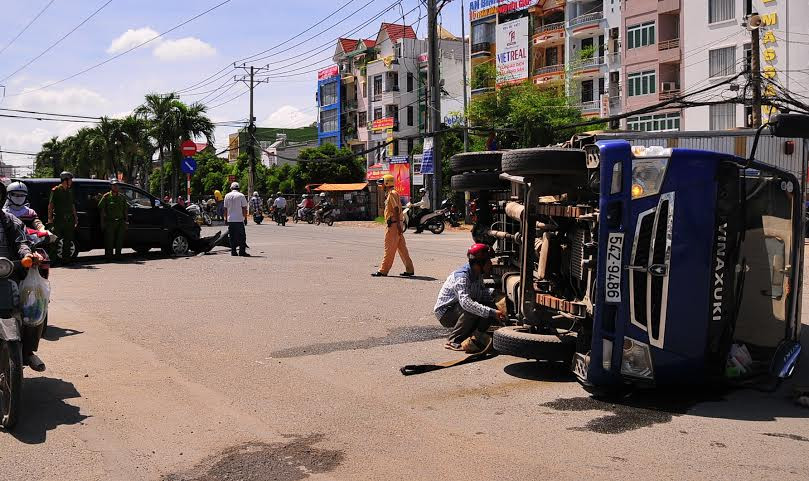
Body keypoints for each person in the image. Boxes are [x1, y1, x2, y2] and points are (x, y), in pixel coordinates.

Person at [0, 183, 45, 370]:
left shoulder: (9, 220)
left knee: (33, 305)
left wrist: (28, 254)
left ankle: (27, 352)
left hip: (9, 272)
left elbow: (21, 241)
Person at [434, 243, 506, 352]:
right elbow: (466, 303)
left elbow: (481, 294)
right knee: (473, 310)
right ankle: (454, 341)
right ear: (480, 263)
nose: (491, 264)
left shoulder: (477, 274)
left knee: (487, 307)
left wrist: (496, 296)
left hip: (460, 308)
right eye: (488, 261)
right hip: (446, 313)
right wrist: (492, 312)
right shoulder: (462, 277)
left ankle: (476, 335)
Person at [371, 174, 414, 277]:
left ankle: (383, 270)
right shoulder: (394, 193)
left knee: (389, 249)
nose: (381, 185)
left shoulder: (391, 194)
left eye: (382, 183)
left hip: (393, 225)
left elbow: (395, 208)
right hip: (397, 223)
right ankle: (410, 269)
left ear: (387, 183)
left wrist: (398, 225)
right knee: (402, 249)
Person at [47, 171, 78, 263]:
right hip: (59, 219)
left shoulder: (70, 191)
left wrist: (75, 217)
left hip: (69, 219)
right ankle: (52, 260)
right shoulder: (56, 190)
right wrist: (50, 218)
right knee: (55, 240)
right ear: (65, 180)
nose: (71, 181)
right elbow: (51, 205)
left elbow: (72, 205)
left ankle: (66, 260)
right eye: (70, 180)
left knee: (68, 240)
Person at [98, 180, 129, 260]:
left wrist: (126, 221)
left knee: (119, 240)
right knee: (109, 240)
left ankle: (118, 256)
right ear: (111, 186)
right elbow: (102, 210)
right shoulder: (106, 196)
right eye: (114, 185)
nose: (115, 187)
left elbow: (125, 210)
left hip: (120, 221)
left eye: (117, 185)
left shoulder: (122, 197)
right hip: (110, 222)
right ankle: (109, 257)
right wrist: (102, 223)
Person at [223, 182, 249, 257]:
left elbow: (225, 209)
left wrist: (225, 218)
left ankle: (233, 251)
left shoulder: (227, 196)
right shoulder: (241, 195)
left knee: (232, 236)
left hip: (230, 219)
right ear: (238, 188)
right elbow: (244, 208)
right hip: (239, 219)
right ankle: (242, 252)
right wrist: (245, 218)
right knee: (242, 236)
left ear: (231, 188)